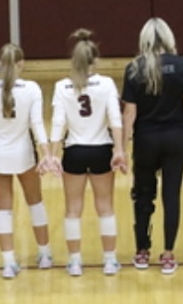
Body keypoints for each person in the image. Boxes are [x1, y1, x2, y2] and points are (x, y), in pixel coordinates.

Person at [0, 44, 54, 279]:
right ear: (22, 63)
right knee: (35, 203)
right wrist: (46, 154)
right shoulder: (32, 88)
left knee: (4, 209)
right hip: (25, 154)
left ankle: (8, 262)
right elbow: (37, 125)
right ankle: (45, 254)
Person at [48, 30, 128, 276]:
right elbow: (116, 119)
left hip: (74, 151)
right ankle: (110, 260)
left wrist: (52, 154)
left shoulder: (62, 86)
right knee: (105, 207)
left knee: (73, 209)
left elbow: (58, 123)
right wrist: (119, 149)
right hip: (101, 149)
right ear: (96, 60)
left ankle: (74, 262)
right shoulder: (106, 84)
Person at [122, 18, 183, 275]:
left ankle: (142, 251)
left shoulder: (134, 68)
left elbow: (129, 115)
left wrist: (121, 148)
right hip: (176, 138)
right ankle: (168, 254)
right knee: (171, 194)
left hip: (145, 139)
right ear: (168, 38)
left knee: (143, 194)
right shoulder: (182, 66)